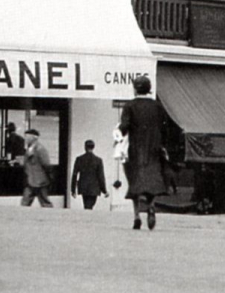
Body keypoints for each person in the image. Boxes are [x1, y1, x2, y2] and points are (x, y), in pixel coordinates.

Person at [118, 75, 167, 230]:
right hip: (153, 148)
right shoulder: (157, 106)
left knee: (135, 181)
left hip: (136, 149)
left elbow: (124, 126)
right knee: (152, 179)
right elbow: (164, 126)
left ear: (135, 89)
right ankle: (151, 206)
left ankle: (136, 216)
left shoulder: (130, 106)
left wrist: (117, 135)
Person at [71, 140, 108, 210]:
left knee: (86, 204)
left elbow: (74, 174)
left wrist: (73, 190)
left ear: (85, 147)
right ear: (93, 147)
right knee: (90, 205)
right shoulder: (98, 160)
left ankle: (87, 216)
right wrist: (104, 190)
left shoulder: (79, 159)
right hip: (94, 187)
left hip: (83, 186)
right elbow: (101, 176)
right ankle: (88, 217)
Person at [20, 128, 53, 207]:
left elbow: (46, 164)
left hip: (40, 180)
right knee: (25, 201)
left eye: (27, 136)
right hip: (31, 179)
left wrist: (49, 177)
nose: (26, 139)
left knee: (44, 201)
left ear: (34, 137)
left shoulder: (40, 149)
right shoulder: (29, 149)